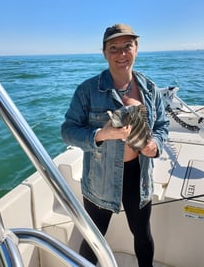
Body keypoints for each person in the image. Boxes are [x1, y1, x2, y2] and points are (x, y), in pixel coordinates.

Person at [61, 23, 169, 266]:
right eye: (114, 48)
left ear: (136, 49)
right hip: (101, 178)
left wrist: (156, 145)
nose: (121, 54)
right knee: (93, 239)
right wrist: (102, 134)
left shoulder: (150, 89)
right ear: (104, 53)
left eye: (127, 46)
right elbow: (67, 131)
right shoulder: (88, 90)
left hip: (139, 176)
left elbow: (162, 125)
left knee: (142, 236)